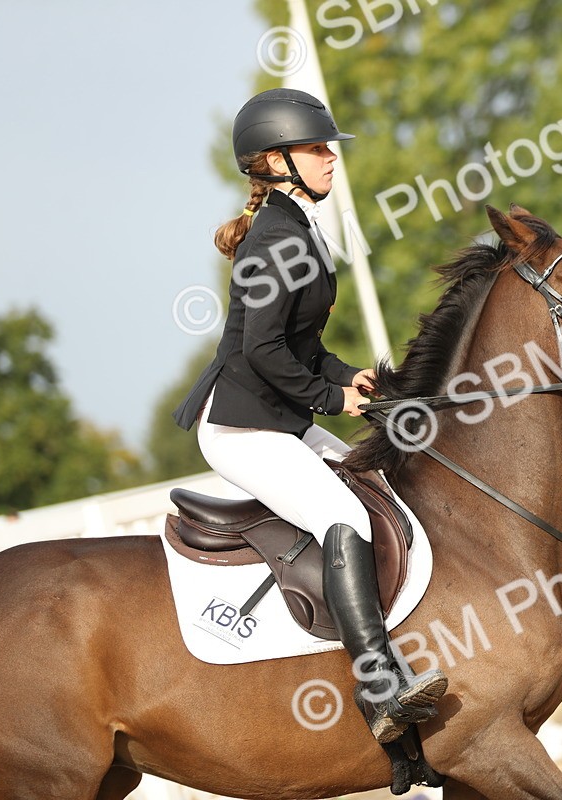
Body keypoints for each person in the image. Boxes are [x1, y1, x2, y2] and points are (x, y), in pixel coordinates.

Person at [171, 88, 446, 744]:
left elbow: (302, 346)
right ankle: (379, 688)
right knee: (344, 515)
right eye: (316, 148)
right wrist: (331, 399)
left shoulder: (296, 228)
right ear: (276, 161)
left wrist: (345, 375)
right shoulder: (274, 239)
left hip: (275, 417)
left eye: (328, 148)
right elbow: (262, 351)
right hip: (241, 427)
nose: (331, 158)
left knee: (372, 486)